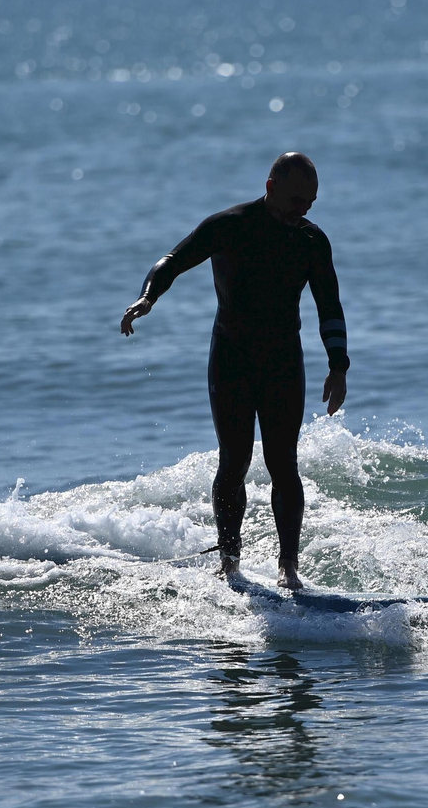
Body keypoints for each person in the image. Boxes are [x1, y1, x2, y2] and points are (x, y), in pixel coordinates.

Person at [121, 152, 349, 589]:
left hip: (284, 361)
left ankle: (288, 569)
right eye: (297, 198)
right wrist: (148, 297)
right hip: (232, 359)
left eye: (312, 201)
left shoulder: (311, 241)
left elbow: (330, 307)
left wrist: (338, 367)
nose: (304, 208)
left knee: (284, 463)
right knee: (235, 460)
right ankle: (229, 562)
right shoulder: (229, 226)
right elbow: (174, 259)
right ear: (270, 185)